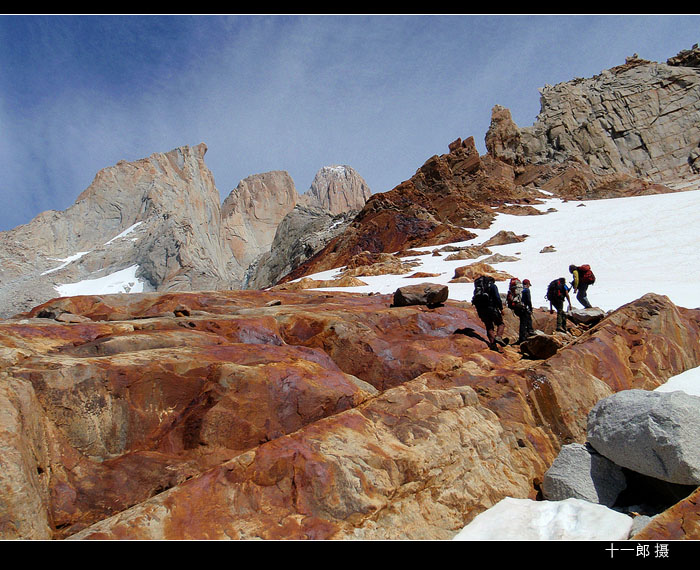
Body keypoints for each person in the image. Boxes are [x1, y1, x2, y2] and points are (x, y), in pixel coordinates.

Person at [472, 275, 507, 351]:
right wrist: (501, 309)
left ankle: (493, 344)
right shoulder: (492, 286)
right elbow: (497, 298)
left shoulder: (478, 289)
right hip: (492, 308)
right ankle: (498, 337)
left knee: (489, 327)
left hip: (482, 311)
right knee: (500, 324)